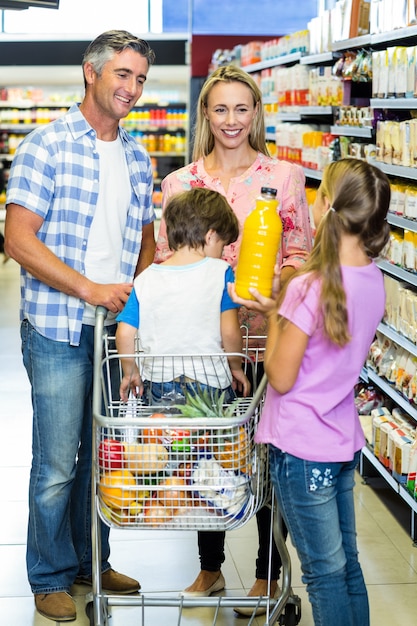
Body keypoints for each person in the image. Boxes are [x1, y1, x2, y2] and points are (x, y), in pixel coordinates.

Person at [4, 30, 156, 623]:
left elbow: (143, 237)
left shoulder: (140, 156)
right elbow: (18, 239)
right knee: (55, 464)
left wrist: (134, 300)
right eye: (124, 74)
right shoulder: (46, 146)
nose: (133, 88)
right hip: (57, 324)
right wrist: (90, 288)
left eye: (140, 78)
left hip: (113, 331)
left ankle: (90, 561)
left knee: (102, 455)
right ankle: (46, 574)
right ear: (90, 72)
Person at [154, 64, 313, 610]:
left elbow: (301, 258)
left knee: (268, 457)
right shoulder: (180, 184)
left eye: (241, 108)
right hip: (201, 347)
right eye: (219, 109)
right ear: (205, 114)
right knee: (210, 452)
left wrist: (267, 287)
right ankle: (210, 568)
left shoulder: (285, 177)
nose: (231, 120)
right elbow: (163, 258)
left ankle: (269, 571)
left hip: (267, 337)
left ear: (256, 112)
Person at [229, 158, 391, 626]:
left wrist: (277, 310)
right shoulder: (374, 279)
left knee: (321, 573)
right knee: (347, 566)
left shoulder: (310, 288)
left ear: (326, 208)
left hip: (301, 448)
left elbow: (279, 377)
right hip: (340, 441)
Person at [115, 186, 250, 405]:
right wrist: (235, 366)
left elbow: (124, 334)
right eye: (222, 246)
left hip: (158, 381)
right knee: (210, 439)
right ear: (211, 236)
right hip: (210, 380)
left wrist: (130, 372)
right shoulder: (220, 273)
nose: (223, 253)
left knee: (163, 438)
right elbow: (230, 331)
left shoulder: (145, 278)